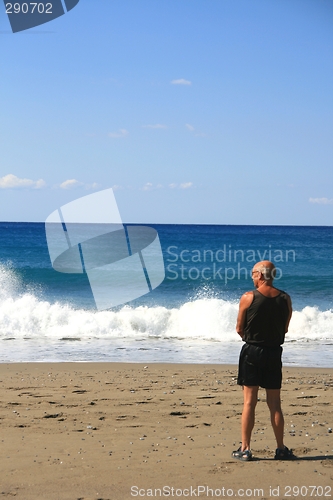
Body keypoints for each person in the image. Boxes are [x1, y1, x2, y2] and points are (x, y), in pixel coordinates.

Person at [232, 260, 294, 461]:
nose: (251, 277)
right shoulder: (285, 299)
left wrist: (251, 338)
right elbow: (285, 328)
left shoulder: (248, 297)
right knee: (275, 403)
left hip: (253, 351)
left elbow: (239, 328)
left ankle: (246, 448)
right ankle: (280, 448)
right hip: (274, 352)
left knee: (249, 402)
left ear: (260, 275)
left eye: (253, 273)